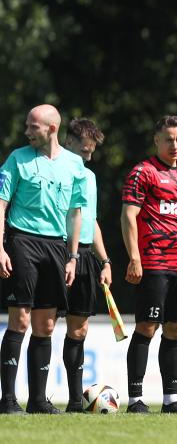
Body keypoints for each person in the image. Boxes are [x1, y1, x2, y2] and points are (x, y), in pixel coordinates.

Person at [0, 104, 87, 414]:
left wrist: (73, 256)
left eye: (32, 127)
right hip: (21, 240)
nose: (27, 132)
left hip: (56, 246)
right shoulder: (16, 159)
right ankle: (8, 400)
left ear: (52, 128)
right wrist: (0, 248)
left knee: (46, 325)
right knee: (20, 320)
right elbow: (1, 205)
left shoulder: (75, 164)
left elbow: (75, 213)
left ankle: (38, 401)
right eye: (27, 125)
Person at [121, 115, 177, 414]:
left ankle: (171, 399)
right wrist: (134, 257)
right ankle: (135, 399)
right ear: (156, 140)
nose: (174, 145)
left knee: (176, 330)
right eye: (168, 139)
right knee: (147, 327)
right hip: (153, 263)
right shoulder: (143, 172)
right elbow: (128, 216)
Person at [60, 118, 114, 412]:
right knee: (38, 325)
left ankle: (73, 401)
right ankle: (27, 399)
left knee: (78, 331)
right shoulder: (55, 169)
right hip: (54, 251)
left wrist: (105, 261)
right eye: (84, 151)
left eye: (92, 152)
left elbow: (91, 221)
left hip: (83, 258)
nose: (88, 157)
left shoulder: (89, 177)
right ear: (68, 142)